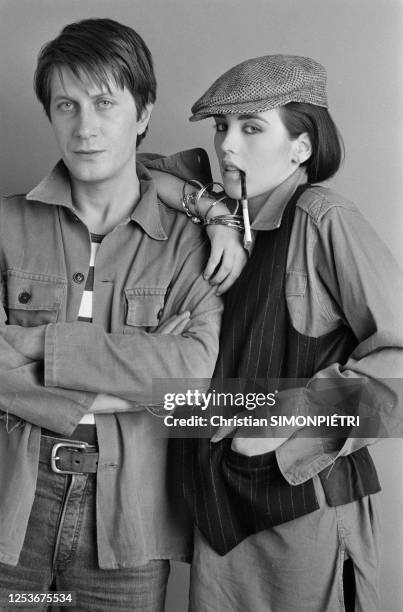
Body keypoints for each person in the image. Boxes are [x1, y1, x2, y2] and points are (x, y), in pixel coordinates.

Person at [151, 54, 403, 611]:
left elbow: (400, 362)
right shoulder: (228, 222)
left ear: (302, 147)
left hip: (304, 512)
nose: (227, 146)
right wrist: (211, 210)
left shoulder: (323, 218)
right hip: (221, 511)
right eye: (222, 128)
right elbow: (133, 166)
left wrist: (284, 421)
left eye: (251, 128)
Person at [0, 17, 231, 612]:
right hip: (10, 513)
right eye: (66, 106)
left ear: (144, 113)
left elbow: (192, 378)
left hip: (128, 522)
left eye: (105, 102)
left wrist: (38, 345)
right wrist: (133, 390)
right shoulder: (5, 227)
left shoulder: (190, 246)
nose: (86, 127)